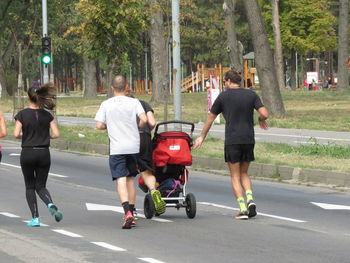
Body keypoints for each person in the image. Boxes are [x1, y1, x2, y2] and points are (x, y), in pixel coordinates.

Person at [192, 70, 269, 220]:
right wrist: (260, 119)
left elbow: (210, 119)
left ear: (228, 81)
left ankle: (242, 208)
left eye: (224, 82)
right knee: (244, 173)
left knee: (235, 176)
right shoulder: (251, 94)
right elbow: (265, 114)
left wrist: (202, 137)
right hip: (248, 139)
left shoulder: (223, 97)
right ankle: (250, 200)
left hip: (233, 139)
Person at [95, 75, 147, 229]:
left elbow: (99, 125)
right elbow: (144, 119)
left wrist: (107, 126)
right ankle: (132, 211)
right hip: (133, 146)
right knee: (131, 179)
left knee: (121, 179)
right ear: (126, 87)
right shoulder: (134, 102)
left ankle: (127, 212)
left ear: (112, 88)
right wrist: (138, 127)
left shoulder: (106, 104)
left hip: (117, 147)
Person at [13, 83, 62, 227]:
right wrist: (46, 137)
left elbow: (16, 134)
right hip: (44, 153)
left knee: (30, 186)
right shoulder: (48, 115)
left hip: (28, 152)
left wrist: (27, 135)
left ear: (29, 97)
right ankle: (51, 204)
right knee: (41, 185)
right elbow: (57, 134)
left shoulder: (22, 114)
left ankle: (35, 218)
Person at [131, 95, 166, 216]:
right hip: (145, 138)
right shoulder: (143, 104)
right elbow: (152, 122)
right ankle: (153, 190)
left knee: (127, 177)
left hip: (128, 138)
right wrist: (147, 131)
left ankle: (131, 209)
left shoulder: (121, 105)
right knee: (146, 171)